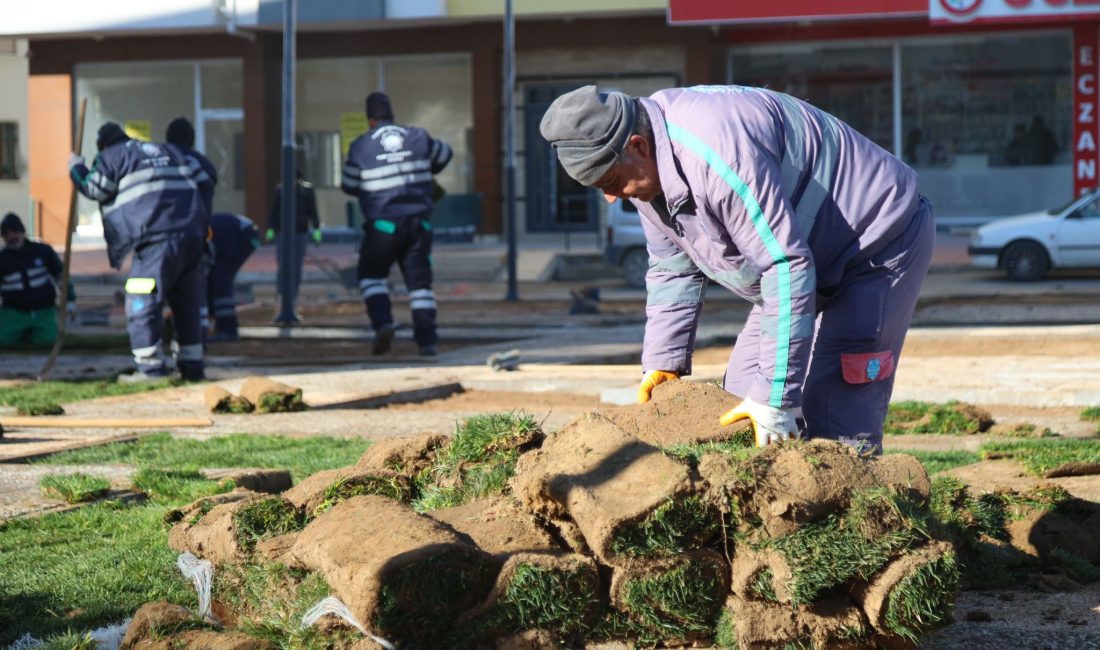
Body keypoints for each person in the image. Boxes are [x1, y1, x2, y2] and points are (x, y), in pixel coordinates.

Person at [540, 85, 934, 453]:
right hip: (795, 258)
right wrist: (664, 360)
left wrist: (776, 397)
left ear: (637, 145)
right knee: (738, 403)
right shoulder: (646, 171)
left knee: (836, 411)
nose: (611, 197)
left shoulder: (717, 154)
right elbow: (671, 268)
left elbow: (785, 267)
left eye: (611, 181)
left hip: (875, 244)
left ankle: (855, 515)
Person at [69, 122, 212, 381]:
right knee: (187, 302)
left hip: (156, 240)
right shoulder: (166, 150)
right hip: (191, 236)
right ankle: (192, 368)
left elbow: (94, 188)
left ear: (103, 145)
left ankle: (151, 369)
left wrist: (76, 167)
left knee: (141, 300)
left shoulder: (112, 156)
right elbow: (206, 176)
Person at [341, 91, 453, 356]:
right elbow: (445, 154)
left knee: (371, 277)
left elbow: (349, 185)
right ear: (392, 115)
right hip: (418, 224)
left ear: (370, 120)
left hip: (383, 227)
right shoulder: (418, 136)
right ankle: (427, 342)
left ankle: (383, 323)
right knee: (420, 286)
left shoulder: (361, 145)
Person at [0, 212, 73, 347]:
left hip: (43, 310)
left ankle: (33, 332)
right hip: (14, 312)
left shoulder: (42, 251)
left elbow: (61, 276)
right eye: (6, 234)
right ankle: (21, 332)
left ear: (22, 231)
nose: (12, 237)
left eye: (15, 231)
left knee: (49, 340)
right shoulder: (2, 259)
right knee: (3, 340)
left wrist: (70, 300)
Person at [267, 170, 320, 318]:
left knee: (296, 265)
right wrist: (271, 228)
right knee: (283, 264)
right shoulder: (280, 190)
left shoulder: (306, 191)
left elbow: (313, 210)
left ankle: (292, 295)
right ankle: (282, 295)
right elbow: (274, 210)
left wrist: (316, 228)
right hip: (283, 232)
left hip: (300, 232)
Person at [208, 212, 260, 342]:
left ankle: (228, 329)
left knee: (220, 279)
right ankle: (223, 324)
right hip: (244, 232)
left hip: (243, 234)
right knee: (215, 279)